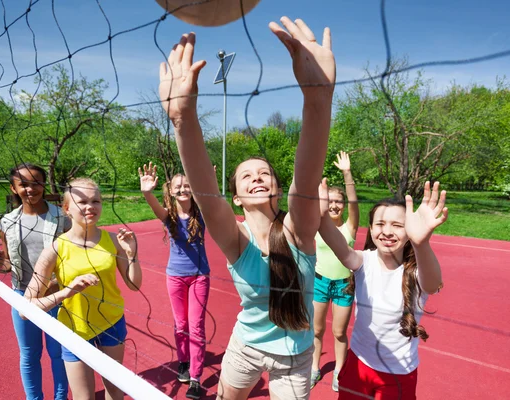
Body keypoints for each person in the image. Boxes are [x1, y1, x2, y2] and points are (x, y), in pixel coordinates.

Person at [157, 16, 335, 399]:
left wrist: (318, 99)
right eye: (246, 175)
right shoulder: (234, 237)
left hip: (295, 357)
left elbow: (305, 180)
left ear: (275, 186)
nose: (257, 177)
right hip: (247, 346)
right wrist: (182, 119)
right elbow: (205, 191)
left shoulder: (298, 229)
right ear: (235, 196)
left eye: (265, 172)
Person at [318, 179, 447, 400]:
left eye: (397, 225)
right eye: (380, 224)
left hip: (397, 374)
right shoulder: (362, 261)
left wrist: (421, 243)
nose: (387, 231)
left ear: (408, 231)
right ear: (370, 229)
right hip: (358, 365)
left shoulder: (417, 272)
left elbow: (433, 284)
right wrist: (319, 215)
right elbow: (336, 241)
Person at [24, 177, 142, 400]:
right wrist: (66, 291)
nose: (90, 207)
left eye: (96, 201)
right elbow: (25, 308)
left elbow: (134, 285)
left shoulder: (112, 240)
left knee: (115, 391)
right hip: (74, 329)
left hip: (112, 322)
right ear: (67, 208)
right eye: (82, 202)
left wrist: (131, 254)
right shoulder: (56, 248)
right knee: (84, 397)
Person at [0, 163, 69, 400]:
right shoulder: (6, 222)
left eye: (36, 183)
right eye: (24, 184)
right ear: (13, 188)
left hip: (55, 294)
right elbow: (10, 262)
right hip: (22, 295)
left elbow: (73, 259)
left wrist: (57, 284)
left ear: (44, 185)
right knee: (29, 354)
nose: (31, 189)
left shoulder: (62, 218)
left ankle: (61, 397)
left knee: (58, 352)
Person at [139, 163, 210, 399]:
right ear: (170, 190)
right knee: (181, 325)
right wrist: (147, 191)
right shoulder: (168, 216)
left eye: (187, 185)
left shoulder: (201, 212)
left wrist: (206, 177)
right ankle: (183, 361)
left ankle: (196, 379)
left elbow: (211, 195)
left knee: (196, 326)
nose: (183, 189)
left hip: (200, 276)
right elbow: (152, 204)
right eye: (178, 186)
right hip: (176, 277)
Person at [311, 151, 359, 391]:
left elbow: (353, 201)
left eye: (338, 201)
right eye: (328, 201)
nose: (334, 205)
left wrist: (347, 174)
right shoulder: (318, 224)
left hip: (344, 285)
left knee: (339, 332)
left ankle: (339, 371)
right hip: (319, 282)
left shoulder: (350, 227)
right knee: (316, 330)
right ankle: (314, 367)